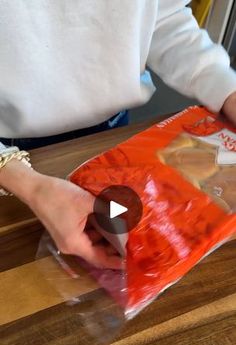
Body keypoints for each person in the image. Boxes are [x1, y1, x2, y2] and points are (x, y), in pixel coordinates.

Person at [0, 0, 236, 269]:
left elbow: (160, 16)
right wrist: (28, 184)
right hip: (12, 160)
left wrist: (225, 86)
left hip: (114, 133)